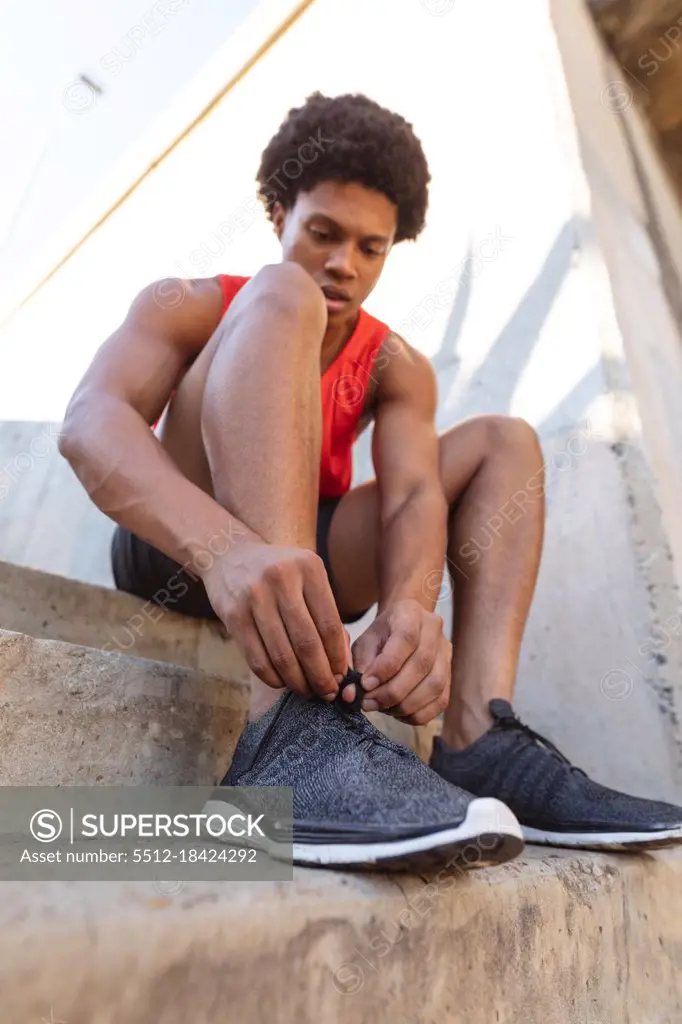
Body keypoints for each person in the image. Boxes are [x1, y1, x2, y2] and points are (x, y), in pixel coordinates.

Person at [60, 91, 682, 871]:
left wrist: (410, 612)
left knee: (505, 443)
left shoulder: (398, 366)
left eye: (370, 247)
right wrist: (225, 552)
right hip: (179, 548)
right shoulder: (193, 303)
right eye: (322, 233)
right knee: (282, 293)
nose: (343, 264)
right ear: (280, 212)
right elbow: (89, 421)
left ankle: (478, 742)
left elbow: (417, 492)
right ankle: (282, 736)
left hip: (307, 559)